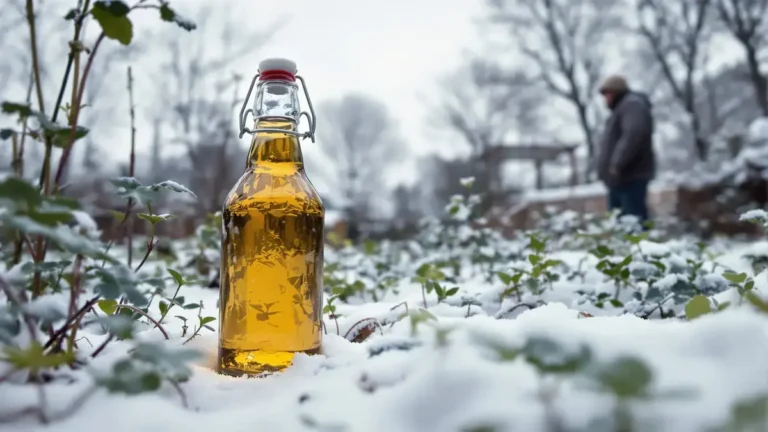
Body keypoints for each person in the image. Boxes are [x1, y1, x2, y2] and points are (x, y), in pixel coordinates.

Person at [595, 75, 656, 227]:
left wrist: (617, 163)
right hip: (619, 178)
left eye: (608, 93)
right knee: (620, 223)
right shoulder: (622, 109)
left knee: (632, 222)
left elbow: (635, 132)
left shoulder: (632, 105)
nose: (606, 98)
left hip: (629, 175)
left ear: (616, 92)